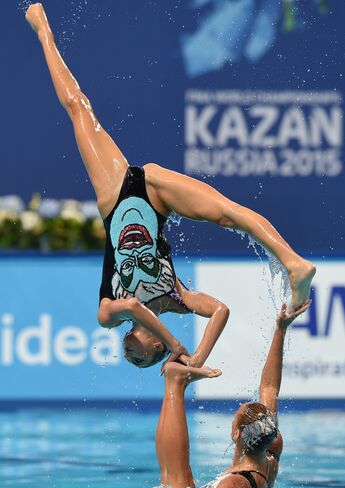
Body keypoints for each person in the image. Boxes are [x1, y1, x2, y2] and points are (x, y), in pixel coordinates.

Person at [25, 4, 315, 368]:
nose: (127, 354)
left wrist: (175, 344)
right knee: (227, 214)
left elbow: (131, 305)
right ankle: (294, 262)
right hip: (156, 199)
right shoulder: (175, 299)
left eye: (128, 358)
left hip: (115, 198)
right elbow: (221, 310)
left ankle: (42, 30)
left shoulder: (108, 316)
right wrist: (194, 360)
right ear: (156, 350)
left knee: (79, 107)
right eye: (139, 360)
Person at [118, 300, 310, 488]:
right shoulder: (268, 454)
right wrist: (280, 329)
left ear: (236, 434)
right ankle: (175, 383)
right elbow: (270, 388)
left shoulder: (236, 485)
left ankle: (175, 383)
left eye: (235, 417)